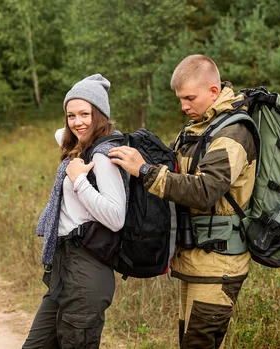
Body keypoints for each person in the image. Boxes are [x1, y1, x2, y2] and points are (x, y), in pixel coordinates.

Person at [109, 55, 257, 349]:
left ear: (213, 92)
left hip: (218, 263)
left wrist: (146, 172)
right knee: (190, 340)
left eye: (190, 97)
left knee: (198, 343)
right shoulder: (199, 128)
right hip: (196, 260)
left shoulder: (232, 134)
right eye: (180, 99)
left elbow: (206, 191)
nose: (183, 106)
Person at [23, 74, 128, 349]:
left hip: (86, 271)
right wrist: (75, 134)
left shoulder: (104, 156)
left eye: (85, 114)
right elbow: (64, 134)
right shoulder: (80, 148)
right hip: (64, 269)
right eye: (71, 115)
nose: (77, 121)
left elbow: (116, 218)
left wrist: (79, 180)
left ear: (100, 115)